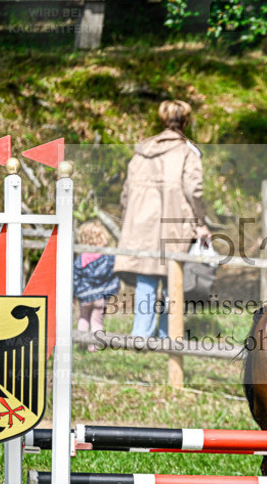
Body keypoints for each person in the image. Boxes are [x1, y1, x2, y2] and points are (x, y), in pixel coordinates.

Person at [115, 100, 212, 338]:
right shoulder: (187, 151)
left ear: (162, 121)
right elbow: (194, 190)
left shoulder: (142, 150)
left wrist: (127, 217)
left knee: (146, 279)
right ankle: (168, 334)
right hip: (174, 225)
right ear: (186, 122)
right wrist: (200, 222)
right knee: (174, 280)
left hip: (141, 224)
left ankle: (140, 334)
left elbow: (126, 192)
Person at [74, 221, 119, 352]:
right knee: (97, 322)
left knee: (83, 319)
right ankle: (94, 347)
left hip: (85, 296)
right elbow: (114, 274)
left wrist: (74, 295)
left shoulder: (81, 258)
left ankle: (80, 343)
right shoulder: (108, 258)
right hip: (101, 296)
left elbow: (75, 277)